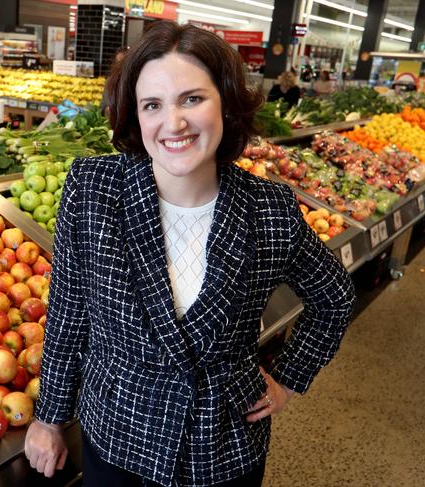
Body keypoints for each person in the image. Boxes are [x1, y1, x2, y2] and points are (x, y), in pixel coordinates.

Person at [25, 20, 356, 486]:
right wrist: (49, 417)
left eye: (192, 99)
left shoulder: (269, 208)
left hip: (221, 446)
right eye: (153, 104)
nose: (173, 122)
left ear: (226, 103)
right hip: (118, 436)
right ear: (135, 116)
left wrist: (288, 380)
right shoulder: (94, 188)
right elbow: (68, 311)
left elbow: (334, 297)